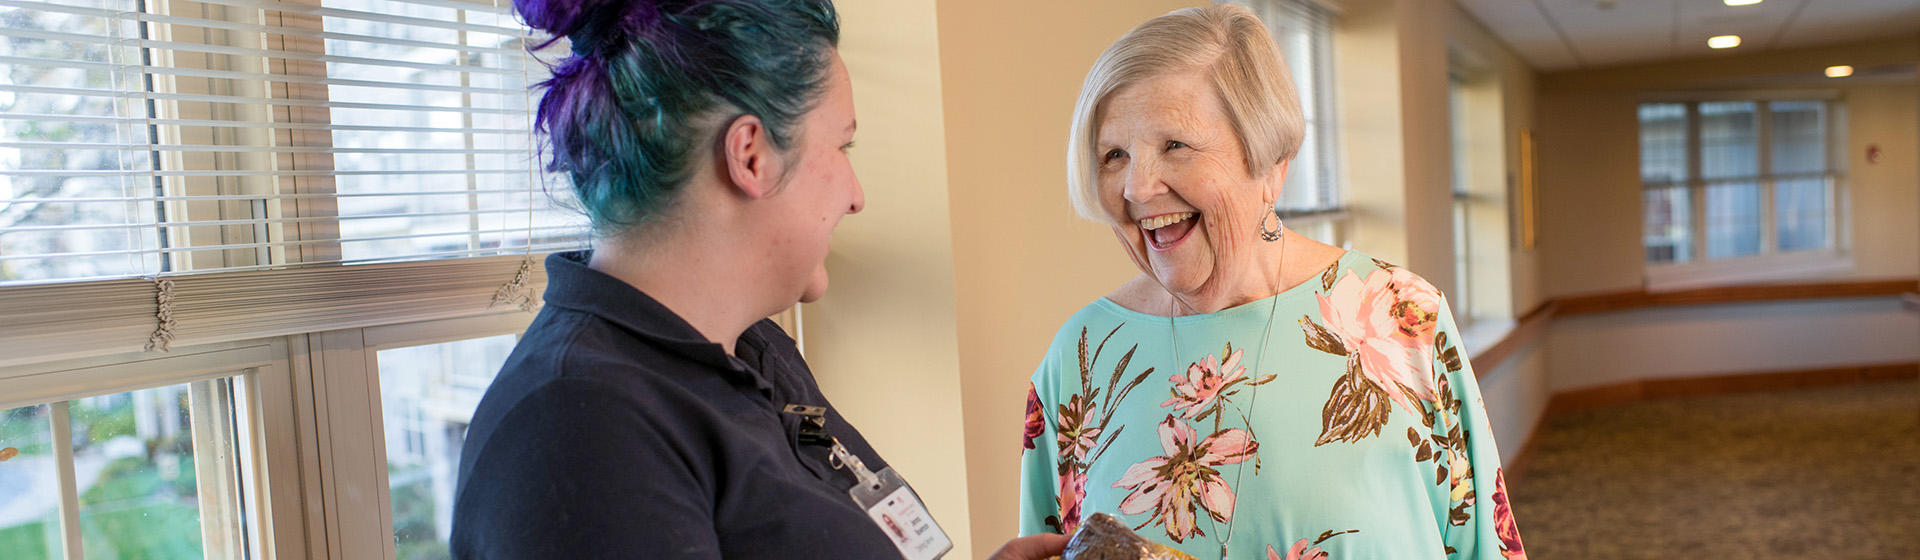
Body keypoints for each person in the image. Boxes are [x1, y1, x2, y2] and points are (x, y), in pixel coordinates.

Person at [450, 1, 1065, 558]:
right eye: (843, 147)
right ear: (751, 156)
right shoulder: (578, 432)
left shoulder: (754, 349)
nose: (856, 197)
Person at [1015, 5, 1528, 560]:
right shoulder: (1079, 361)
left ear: (1272, 162)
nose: (1137, 188)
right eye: (1114, 155)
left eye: (1175, 145)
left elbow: (1482, 543)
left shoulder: (1400, 317)